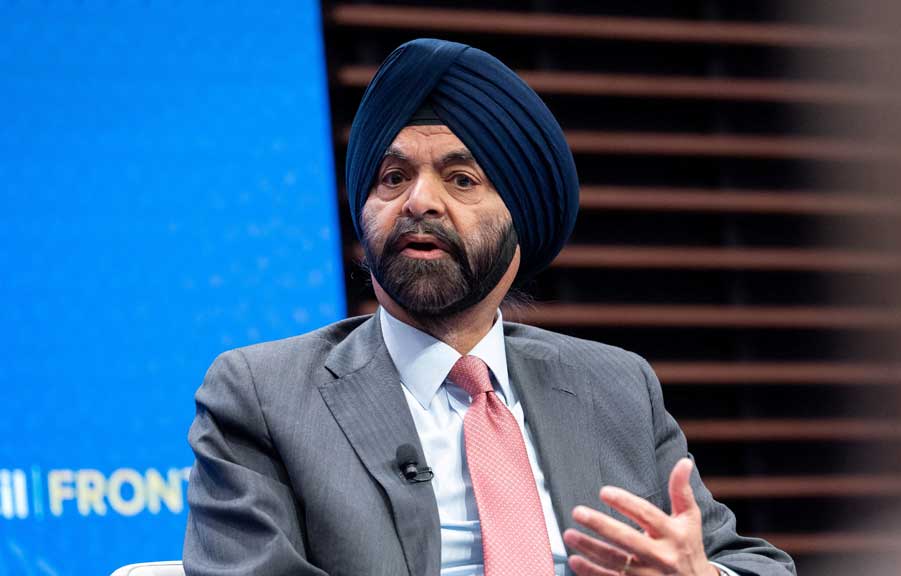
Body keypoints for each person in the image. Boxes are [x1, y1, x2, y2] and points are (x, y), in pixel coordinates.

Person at [183, 38, 795, 576]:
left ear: (521, 222)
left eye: (462, 179)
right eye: (392, 177)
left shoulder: (616, 386)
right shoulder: (264, 394)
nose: (419, 202)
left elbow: (751, 563)